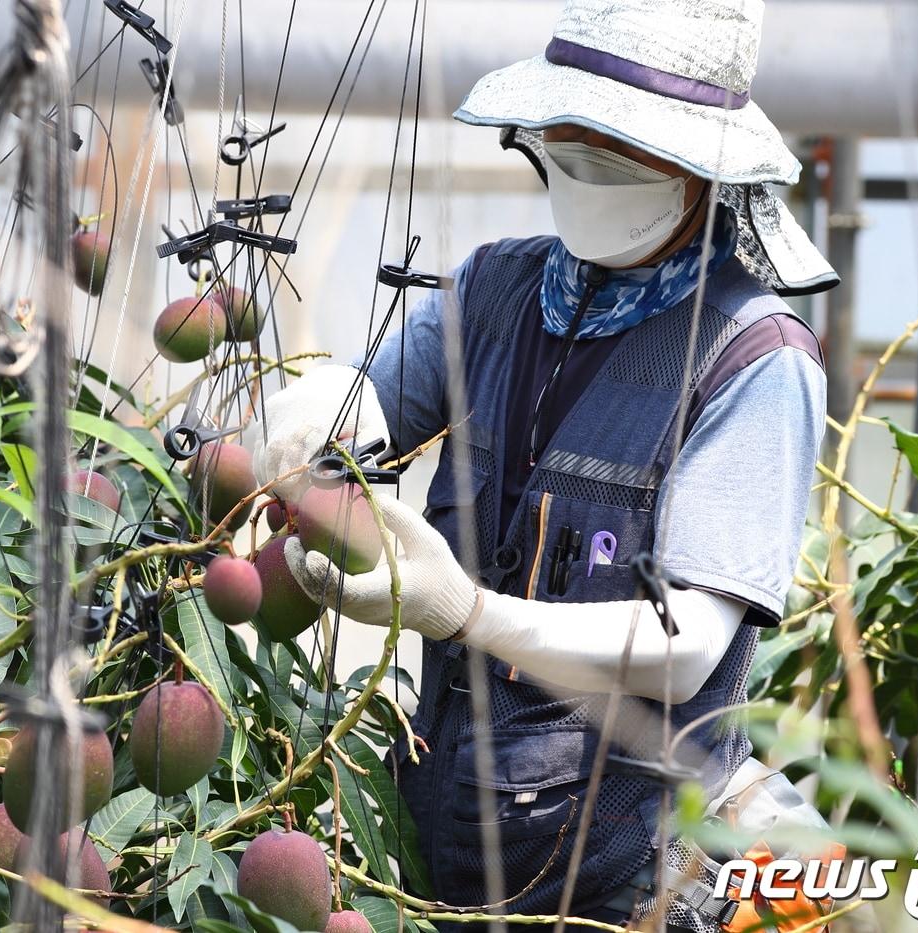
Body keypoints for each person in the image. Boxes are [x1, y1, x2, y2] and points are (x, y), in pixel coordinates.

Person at [251, 1, 840, 930]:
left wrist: (471, 612)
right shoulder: (495, 289)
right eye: (562, 146)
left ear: (698, 172)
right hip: (446, 845)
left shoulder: (753, 360)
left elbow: (687, 648)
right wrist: (313, 409)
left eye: (608, 153)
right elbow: (371, 406)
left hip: (631, 874)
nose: (578, 169)